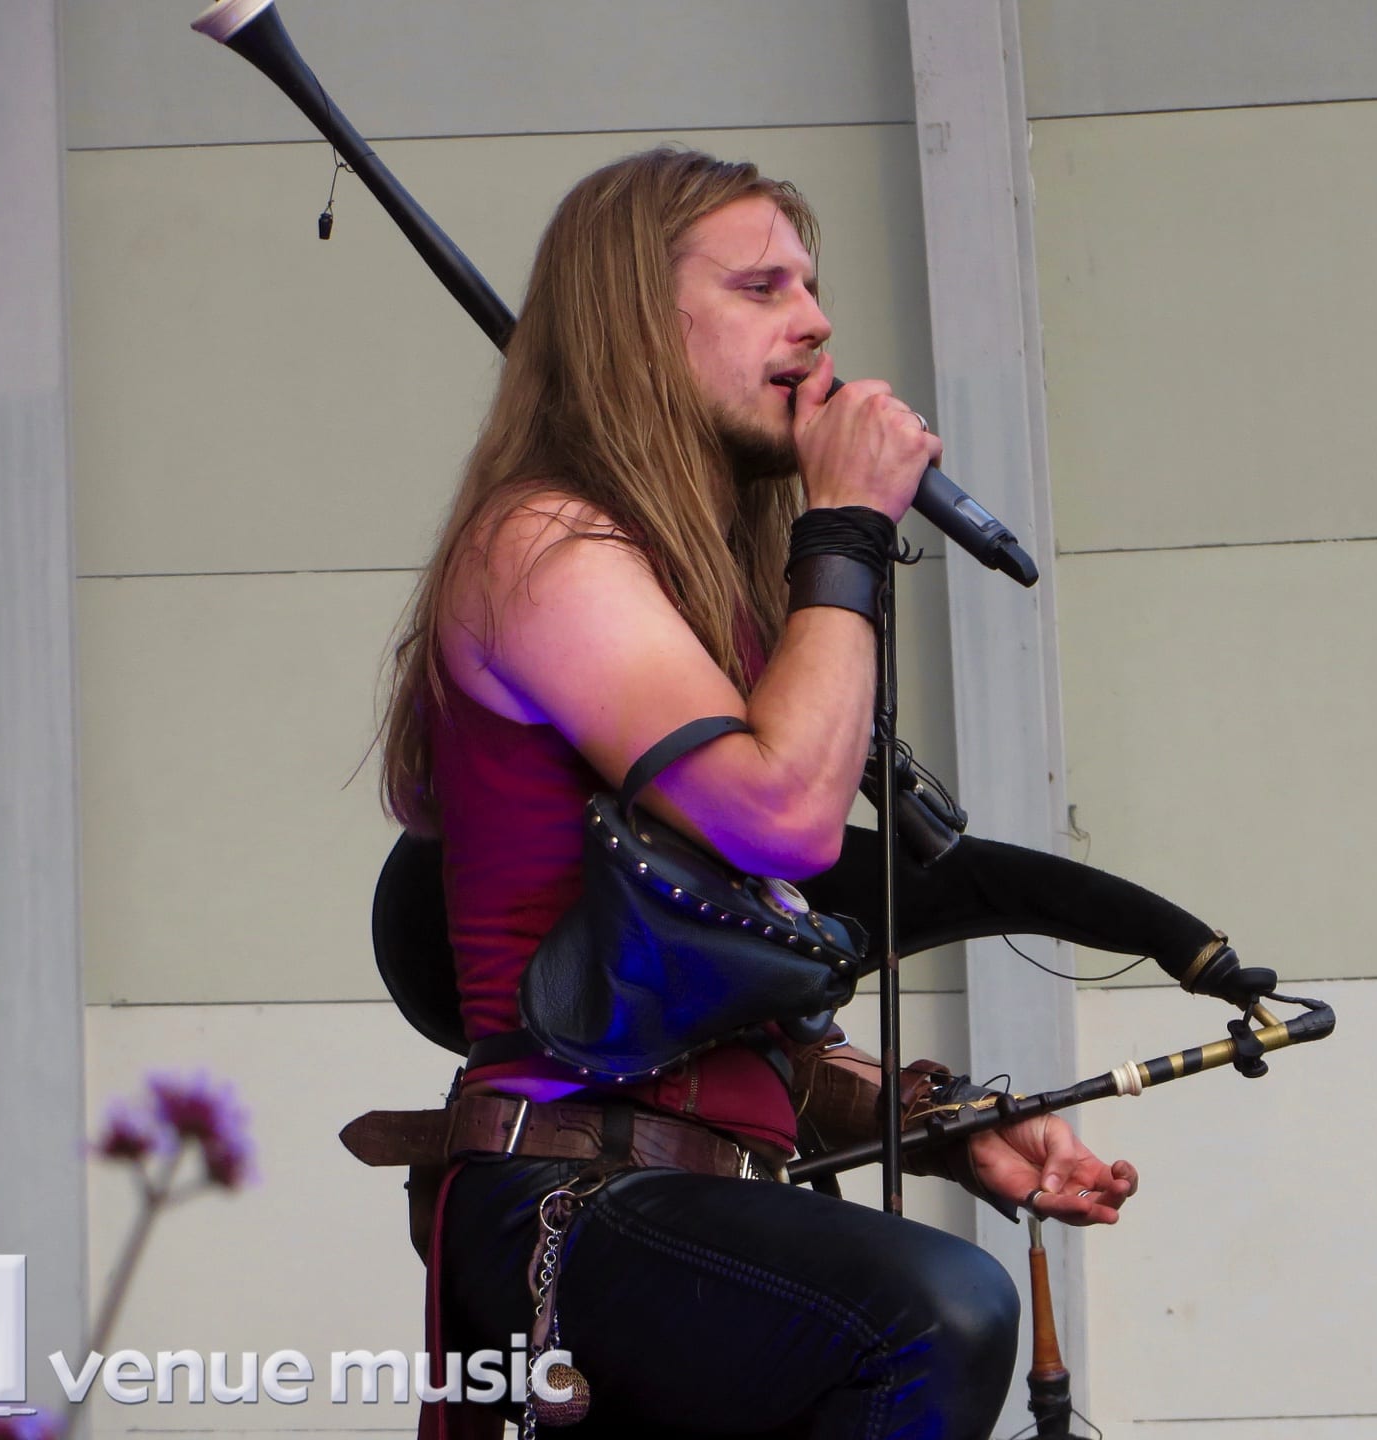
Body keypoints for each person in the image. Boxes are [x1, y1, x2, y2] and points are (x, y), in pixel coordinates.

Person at [375, 147, 1137, 1438]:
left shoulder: (694, 603)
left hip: (697, 1194)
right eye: (762, 285)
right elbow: (782, 815)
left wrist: (942, 1123)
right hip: (573, 1198)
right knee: (932, 1313)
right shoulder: (544, 544)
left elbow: (729, 1005)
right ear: (637, 324)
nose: (817, 320)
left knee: (926, 1309)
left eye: (814, 286)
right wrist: (844, 528)